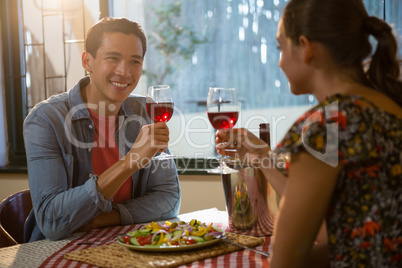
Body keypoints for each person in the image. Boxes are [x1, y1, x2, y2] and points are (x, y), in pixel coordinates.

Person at [216, 0, 402, 267]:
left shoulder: (328, 125)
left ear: (306, 47)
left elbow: (286, 261)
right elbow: (337, 230)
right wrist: (262, 157)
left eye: (281, 48)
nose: (279, 62)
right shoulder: (389, 106)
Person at [23, 17, 181, 242]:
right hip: (56, 253)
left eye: (134, 61)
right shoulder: (46, 120)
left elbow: (169, 199)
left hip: (125, 246)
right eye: (113, 58)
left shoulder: (145, 112)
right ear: (87, 61)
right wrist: (131, 161)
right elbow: (52, 222)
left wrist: (103, 219)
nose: (125, 72)